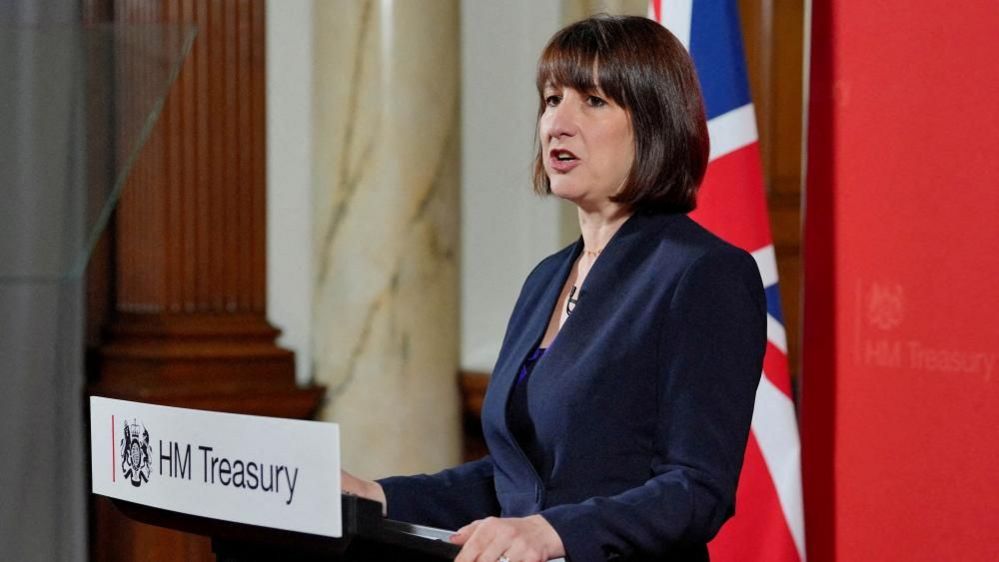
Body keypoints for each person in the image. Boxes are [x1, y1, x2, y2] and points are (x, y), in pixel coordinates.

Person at [342, 14, 766, 562]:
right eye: (550, 100)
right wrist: (378, 496)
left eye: (592, 101)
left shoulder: (703, 274)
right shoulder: (546, 278)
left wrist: (553, 532)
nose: (556, 124)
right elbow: (514, 481)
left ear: (655, 122)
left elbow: (695, 489)